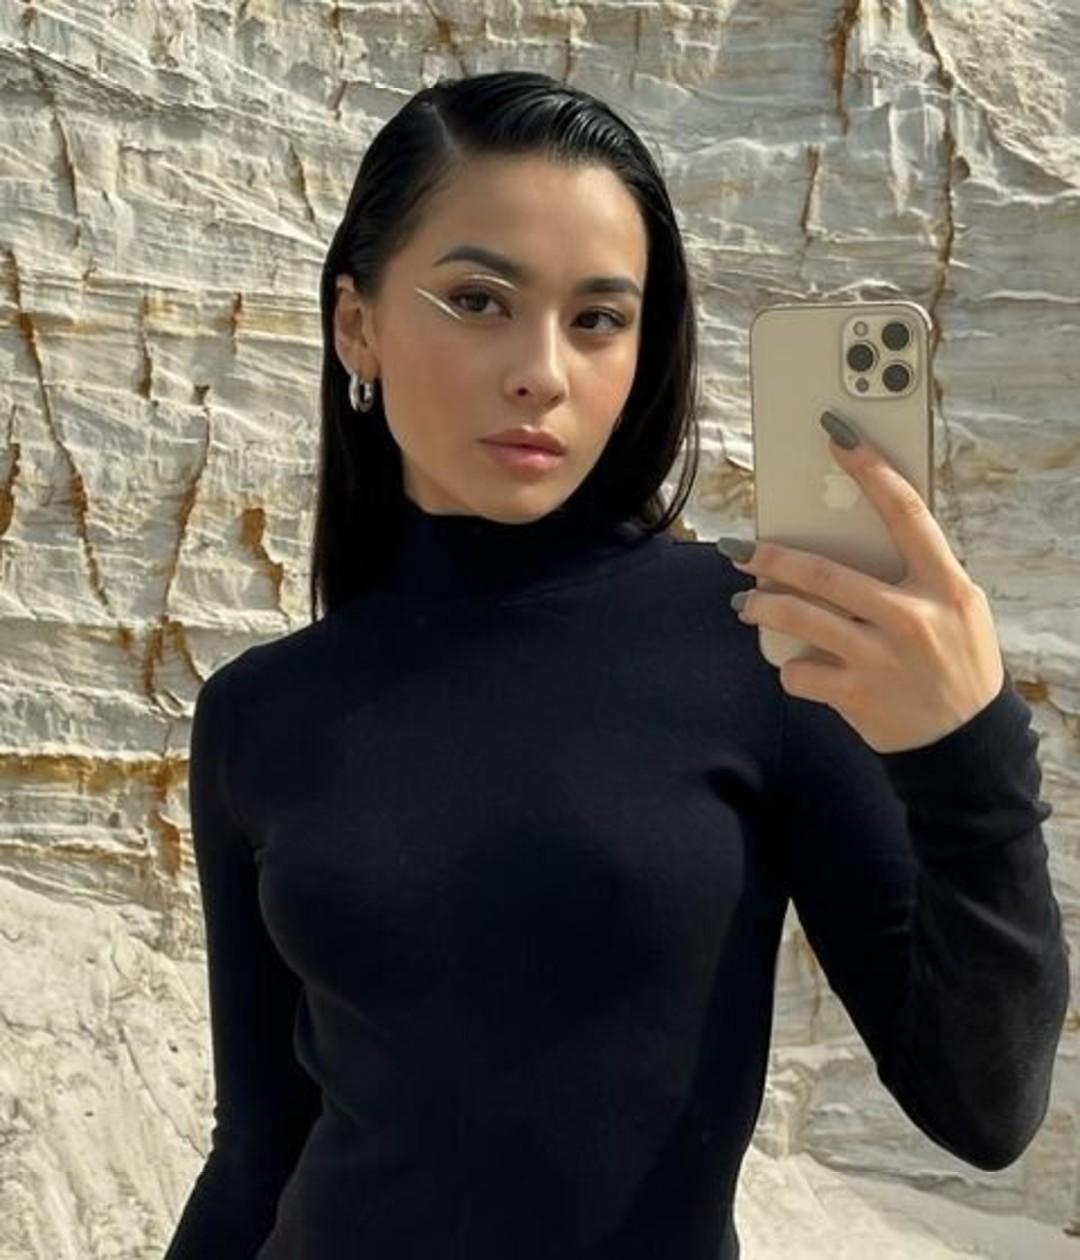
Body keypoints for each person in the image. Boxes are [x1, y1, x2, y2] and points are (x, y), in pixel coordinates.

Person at [162, 70, 1069, 1259]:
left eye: (598, 318)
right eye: (478, 300)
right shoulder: (260, 711)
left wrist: (966, 745)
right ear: (357, 325)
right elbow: (255, 1152)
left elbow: (984, 1107)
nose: (541, 369)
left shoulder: (760, 643)